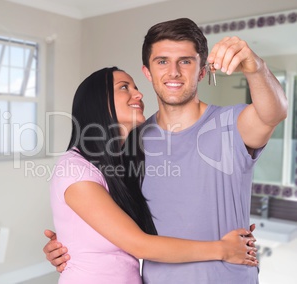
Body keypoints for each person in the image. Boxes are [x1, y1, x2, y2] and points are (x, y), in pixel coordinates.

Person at [44, 18, 288, 283]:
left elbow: (273, 112)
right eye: (162, 61)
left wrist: (255, 67)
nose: (173, 72)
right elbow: (114, 220)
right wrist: (68, 246)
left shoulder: (232, 124)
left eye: (185, 61)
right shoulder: (131, 145)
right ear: (148, 72)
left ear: (202, 71)